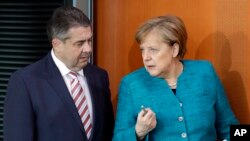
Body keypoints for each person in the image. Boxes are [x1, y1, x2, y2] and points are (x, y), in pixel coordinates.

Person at [113, 15, 239, 141]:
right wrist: (138, 132)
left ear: (174, 49)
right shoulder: (131, 84)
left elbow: (229, 127)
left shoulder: (205, 72)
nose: (145, 57)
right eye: (142, 50)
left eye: (153, 50)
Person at [4, 6, 114, 141]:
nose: (88, 49)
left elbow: (107, 133)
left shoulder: (99, 77)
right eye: (80, 43)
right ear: (57, 44)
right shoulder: (25, 81)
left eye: (89, 40)